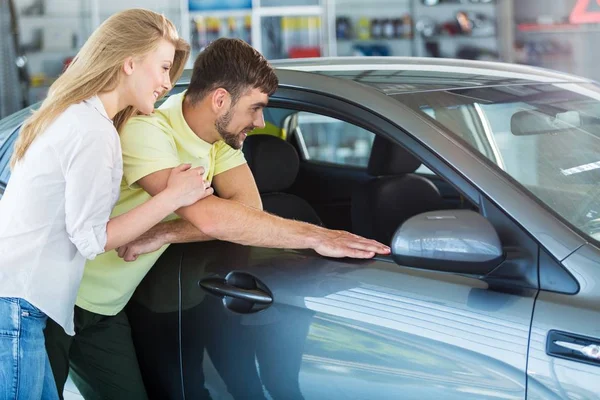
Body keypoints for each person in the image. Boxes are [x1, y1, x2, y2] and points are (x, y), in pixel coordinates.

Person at [45, 37, 390, 399]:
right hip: (59, 299)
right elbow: (211, 218)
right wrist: (318, 237)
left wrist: (166, 233)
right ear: (220, 100)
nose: (259, 122)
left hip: (104, 309)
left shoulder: (218, 141)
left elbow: (246, 212)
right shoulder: (147, 130)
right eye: (255, 108)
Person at [0, 9, 212, 400]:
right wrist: (172, 196)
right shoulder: (92, 131)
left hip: (22, 304)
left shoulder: (80, 118)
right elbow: (91, 239)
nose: (167, 83)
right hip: (16, 308)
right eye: (163, 67)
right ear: (129, 62)